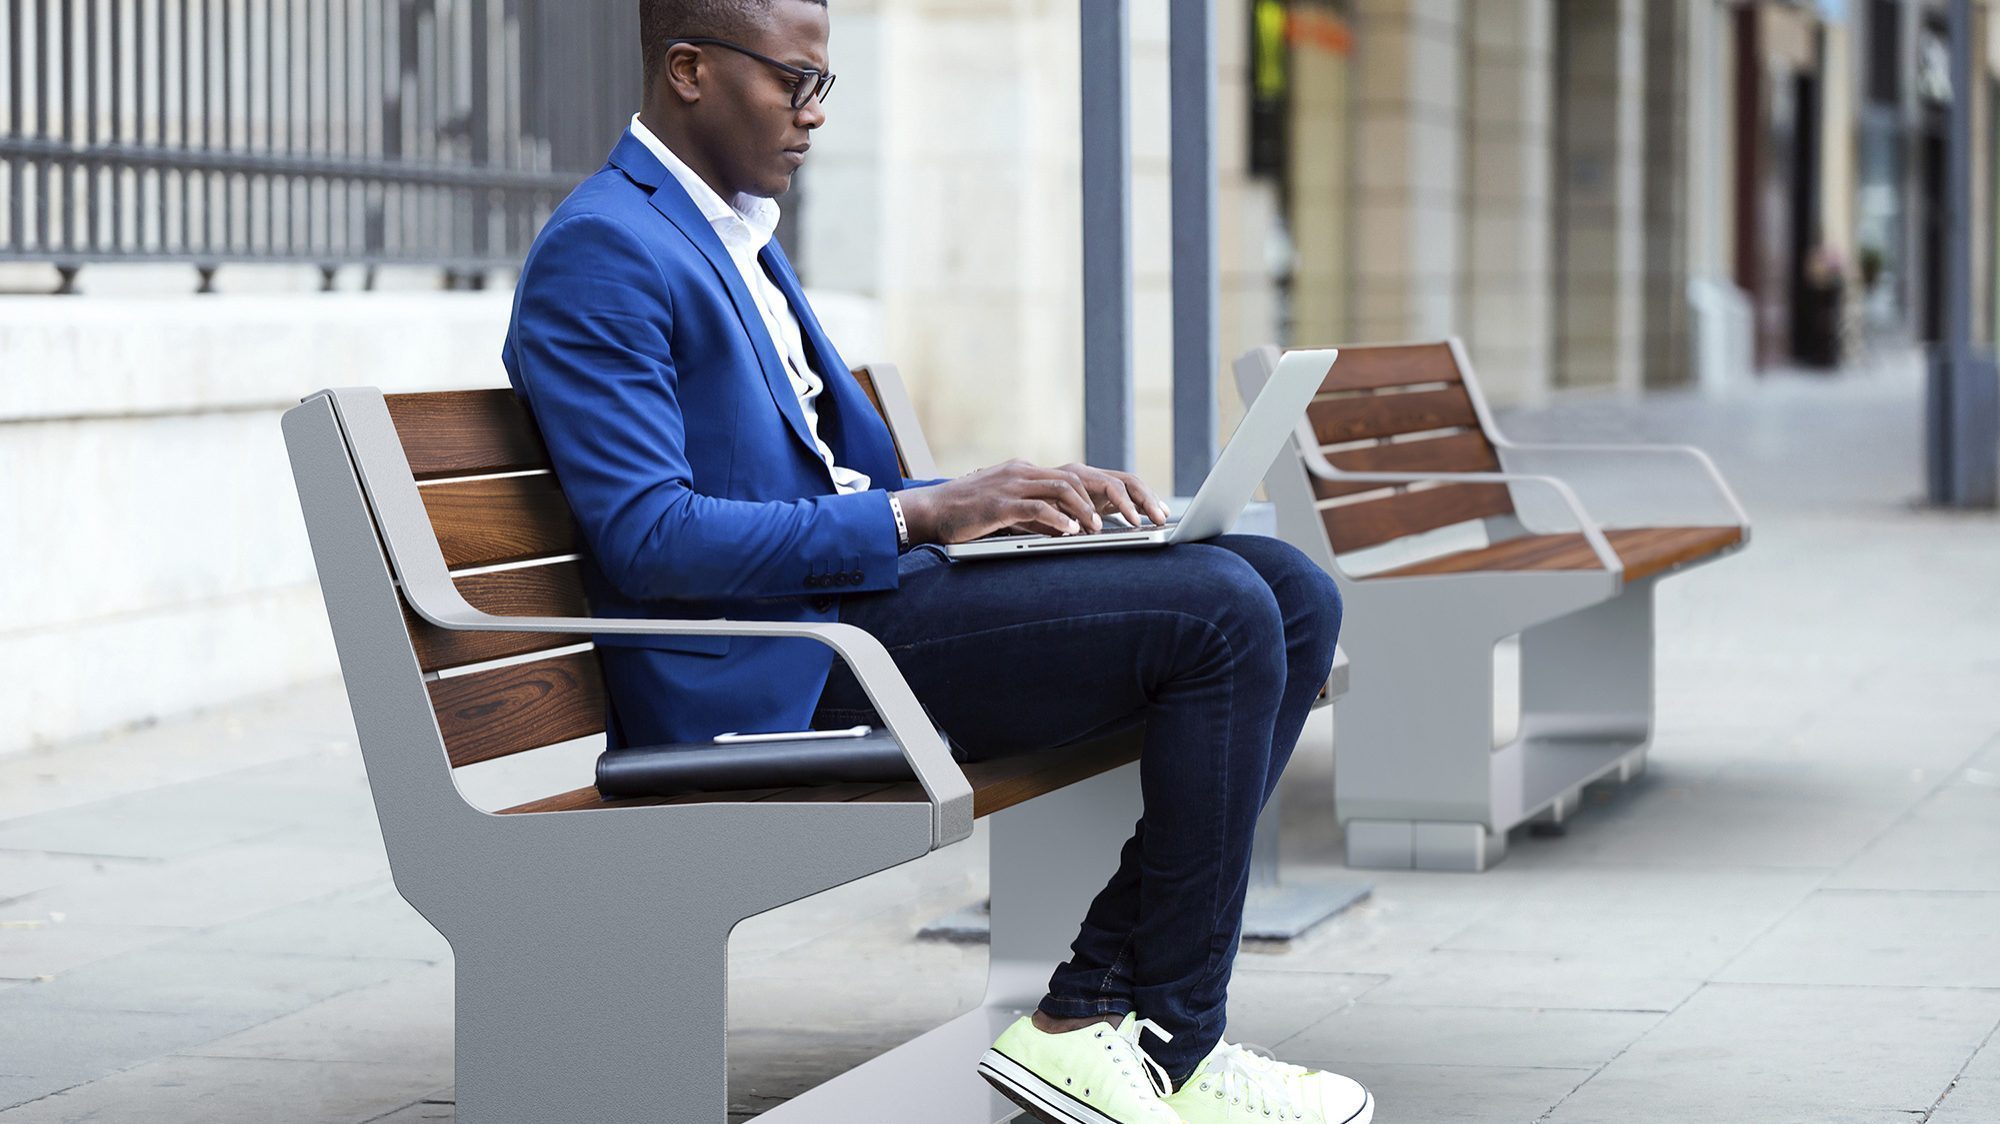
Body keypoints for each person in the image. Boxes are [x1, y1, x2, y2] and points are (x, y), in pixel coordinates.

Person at [501, 2, 1371, 1121]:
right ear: (687, 70)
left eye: (825, 86)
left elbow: (845, 480)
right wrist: (922, 515)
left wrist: (1012, 508)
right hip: (770, 667)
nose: (813, 116)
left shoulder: (731, 232)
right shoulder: (605, 251)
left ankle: (1105, 1013)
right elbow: (651, 534)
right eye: (792, 83)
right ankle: (1161, 1043)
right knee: (1217, 613)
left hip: (847, 614)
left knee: (1286, 588)